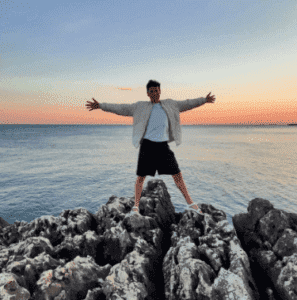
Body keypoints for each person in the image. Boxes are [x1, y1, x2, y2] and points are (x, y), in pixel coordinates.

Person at [85, 80, 216, 216]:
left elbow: (188, 103)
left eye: (156, 90)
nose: (154, 93)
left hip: (163, 146)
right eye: (151, 91)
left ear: (160, 91)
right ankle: (136, 206)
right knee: (140, 177)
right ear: (148, 93)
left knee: (177, 175)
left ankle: (191, 203)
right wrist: (100, 105)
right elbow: (121, 108)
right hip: (147, 145)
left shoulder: (171, 104)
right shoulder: (140, 107)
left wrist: (204, 100)